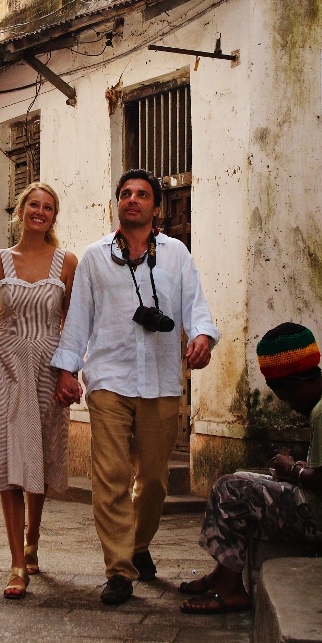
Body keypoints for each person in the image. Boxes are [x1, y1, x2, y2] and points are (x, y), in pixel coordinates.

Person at [51, 169, 219, 606]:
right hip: (108, 377)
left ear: (155, 206)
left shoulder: (176, 254)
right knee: (111, 475)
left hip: (162, 379)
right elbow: (78, 319)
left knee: (156, 480)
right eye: (125, 194)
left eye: (142, 194)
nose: (132, 200)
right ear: (118, 204)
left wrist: (202, 335)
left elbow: (195, 306)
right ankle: (119, 569)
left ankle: (139, 544)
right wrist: (67, 370)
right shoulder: (94, 257)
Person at [180, 321, 322, 613]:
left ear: (294, 384)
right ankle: (223, 574)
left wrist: (293, 471)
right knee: (241, 477)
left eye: (285, 396)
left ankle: (232, 590)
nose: (288, 404)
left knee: (229, 489)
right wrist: (305, 468)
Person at [0, 183, 77, 599]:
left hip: (47, 367)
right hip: (5, 366)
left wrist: (71, 371)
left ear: (53, 217)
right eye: (33, 205)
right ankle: (16, 563)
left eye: (47, 207)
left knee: (37, 457)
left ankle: (33, 537)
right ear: (21, 210)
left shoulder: (67, 263)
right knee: (10, 461)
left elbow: (72, 326)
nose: (39, 212)